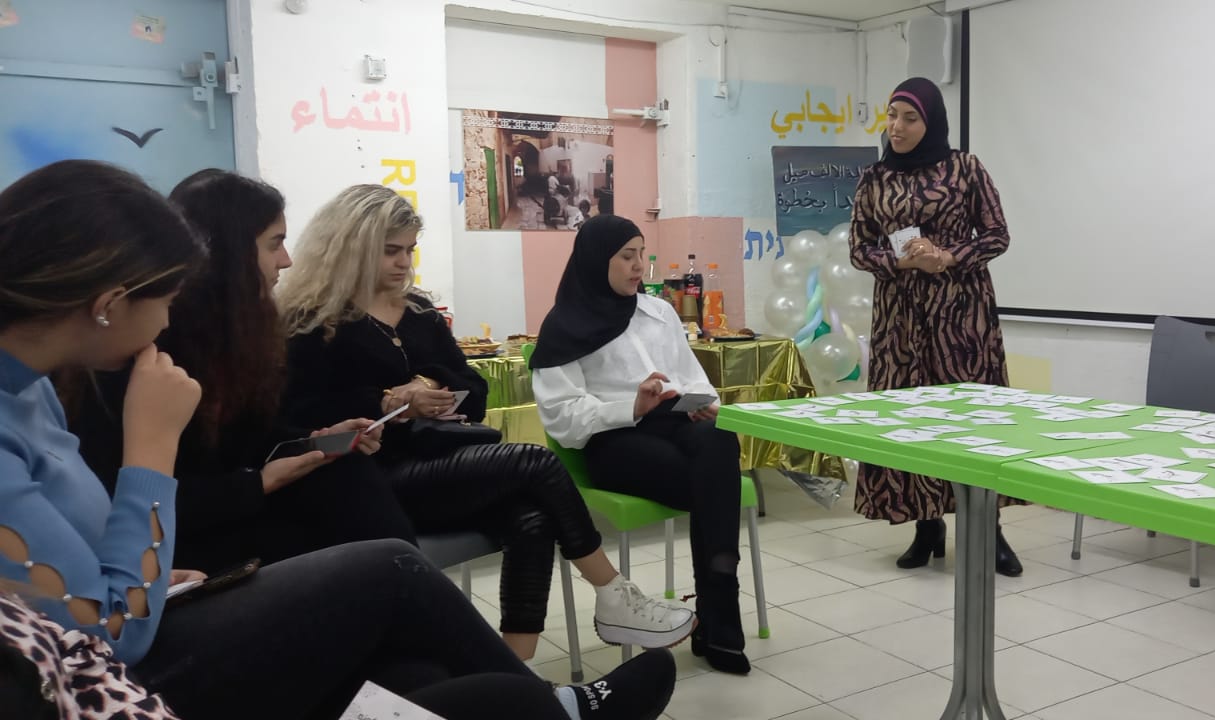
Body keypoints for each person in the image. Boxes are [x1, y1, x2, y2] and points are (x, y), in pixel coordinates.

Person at [0, 160, 676, 720]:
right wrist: (157, 453)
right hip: (134, 661)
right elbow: (111, 634)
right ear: (108, 303)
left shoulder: (45, 387)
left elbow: (103, 547)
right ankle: (555, 693)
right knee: (397, 568)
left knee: (433, 666)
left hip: (194, 572)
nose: (287, 259)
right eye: (167, 293)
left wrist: (301, 449)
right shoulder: (112, 383)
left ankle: (534, 693)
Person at [277, 184, 694, 661]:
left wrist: (428, 383)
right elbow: (304, 415)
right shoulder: (314, 322)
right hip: (371, 477)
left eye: (409, 250)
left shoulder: (419, 312)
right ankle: (614, 593)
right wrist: (389, 401)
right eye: (390, 251)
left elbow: (475, 391)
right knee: (534, 462)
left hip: (441, 457)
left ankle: (515, 670)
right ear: (349, 247)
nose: (403, 263)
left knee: (532, 519)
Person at [64, 169, 416, 577]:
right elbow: (126, 499)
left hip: (225, 507)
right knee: (366, 544)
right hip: (174, 541)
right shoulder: (135, 351)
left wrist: (310, 441)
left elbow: (244, 436)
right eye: (275, 244)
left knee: (347, 478)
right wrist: (256, 483)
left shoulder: (232, 336)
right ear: (230, 252)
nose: (286, 260)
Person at [529, 216, 750, 676]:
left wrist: (702, 404)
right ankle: (720, 616)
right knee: (716, 484)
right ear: (597, 260)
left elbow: (693, 380)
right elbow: (563, 420)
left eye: (641, 255)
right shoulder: (564, 325)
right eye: (626, 256)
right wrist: (630, 407)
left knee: (717, 437)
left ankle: (715, 612)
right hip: (614, 442)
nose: (637, 267)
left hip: (675, 425)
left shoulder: (659, 312)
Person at [848, 77, 1025, 577]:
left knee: (969, 420)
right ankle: (926, 525)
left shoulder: (966, 168)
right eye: (892, 115)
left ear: (931, 123)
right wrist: (902, 262)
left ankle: (989, 529)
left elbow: (996, 235)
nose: (897, 127)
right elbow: (859, 249)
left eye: (910, 118)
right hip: (900, 318)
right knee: (910, 419)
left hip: (961, 316)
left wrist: (947, 256)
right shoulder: (875, 178)